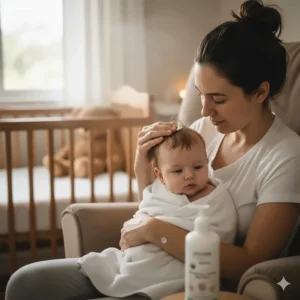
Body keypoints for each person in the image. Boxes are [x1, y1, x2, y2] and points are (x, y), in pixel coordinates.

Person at [5, 1, 300, 299]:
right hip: (145, 264)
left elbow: (252, 262)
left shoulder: (285, 156)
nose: (205, 109)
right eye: (201, 95)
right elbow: (161, 204)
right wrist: (141, 167)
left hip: (194, 282)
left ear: (261, 92)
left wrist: (153, 231)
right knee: (26, 283)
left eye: (218, 99)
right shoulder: (201, 131)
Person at [76, 126, 236, 300]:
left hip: (176, 277)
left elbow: (223, 232)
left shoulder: (217, 198)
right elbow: (144, 213)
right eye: (178, 171)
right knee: (43, 276)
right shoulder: (159, 191)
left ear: (207, 163)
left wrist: (151, 231)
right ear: (160, 176)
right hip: (134, 261)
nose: (189, 175)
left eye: (198, 167)